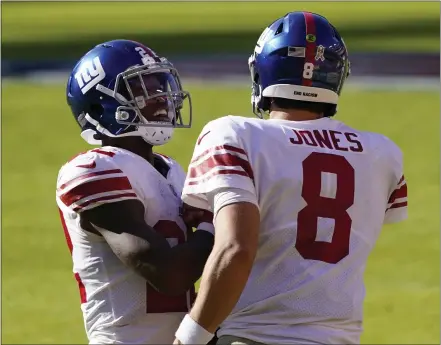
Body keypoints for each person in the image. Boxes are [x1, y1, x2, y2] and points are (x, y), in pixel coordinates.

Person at [173, 11, 408, 345]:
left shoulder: (234, 134)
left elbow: (236, 249)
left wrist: (190, 337)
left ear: (262, 69)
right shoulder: (382, 152)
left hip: (255, 335)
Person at [55, 39, 214, 344]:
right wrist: (214, 225)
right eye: (144, 89)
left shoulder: (172, 170)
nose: (163, 97)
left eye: (161, 84)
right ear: (101, 105)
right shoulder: (93, 170)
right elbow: (168, 274)